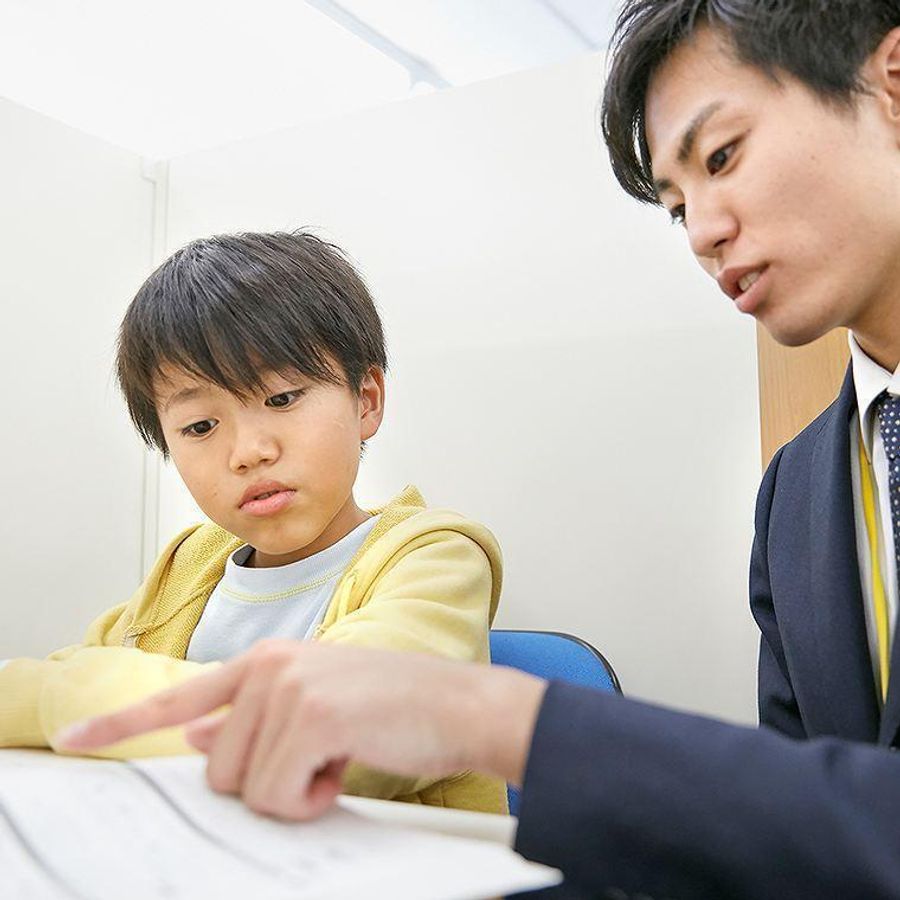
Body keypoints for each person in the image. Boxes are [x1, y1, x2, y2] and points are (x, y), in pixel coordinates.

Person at [57, 1, 900, 897]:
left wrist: (503, 719)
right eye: (677, 205)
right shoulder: (795, 492)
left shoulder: (427, 553)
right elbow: (797, 828)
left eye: (723, 155)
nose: (701, 234)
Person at [0, 231, 506, 814]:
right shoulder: (189, 567)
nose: (248, 452)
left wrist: (56, 701)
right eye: (200, 427)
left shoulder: (434, 557)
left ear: (365, 400)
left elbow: (335, 734)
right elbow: (73, 666)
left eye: (282, 399)